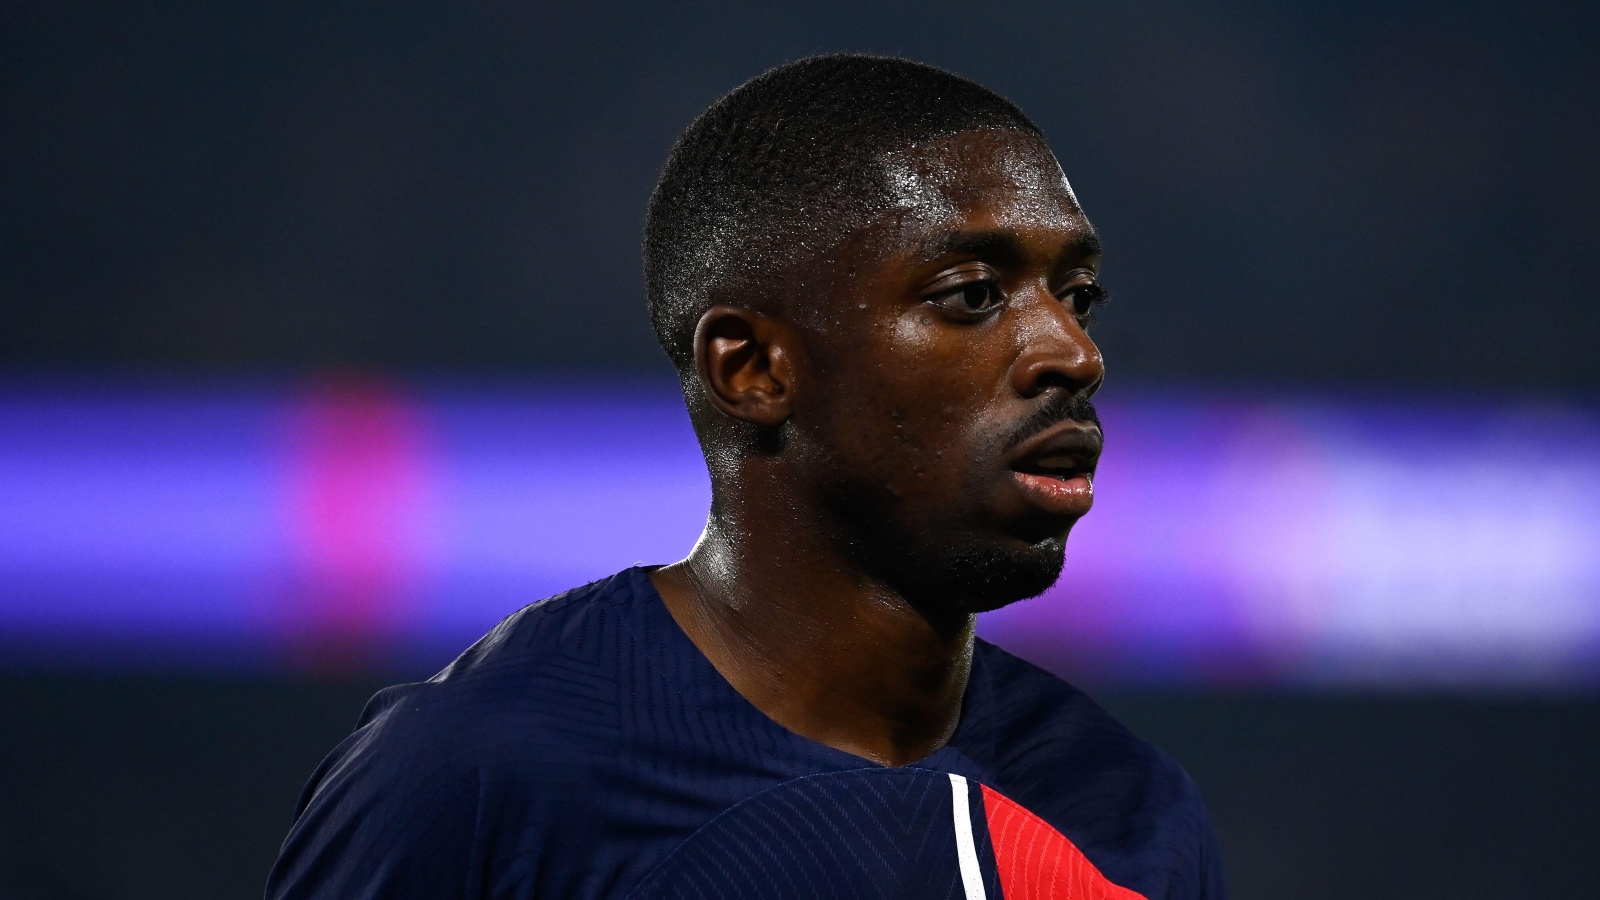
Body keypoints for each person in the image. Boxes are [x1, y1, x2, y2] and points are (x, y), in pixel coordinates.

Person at [267, 53, 1227, 899]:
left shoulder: (1134, 818)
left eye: (1078, 296)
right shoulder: (480, 774)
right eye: (972, 296)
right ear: (753, 370)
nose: (1072, 352)